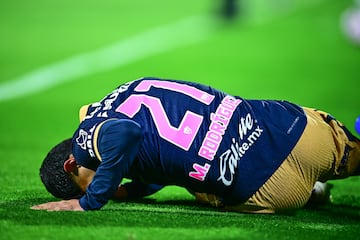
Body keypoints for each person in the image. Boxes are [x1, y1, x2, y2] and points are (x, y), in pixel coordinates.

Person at [31, 77, 360, 213]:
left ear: (72, 164)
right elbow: (161, 161)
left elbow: (125, 135)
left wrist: (90, 201)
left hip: (268, 188)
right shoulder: (123, 92)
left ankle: (312, 191)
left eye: (83, 187)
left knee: (198, 183)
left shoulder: (88, 136)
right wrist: (127, 191)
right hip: (292, 128)